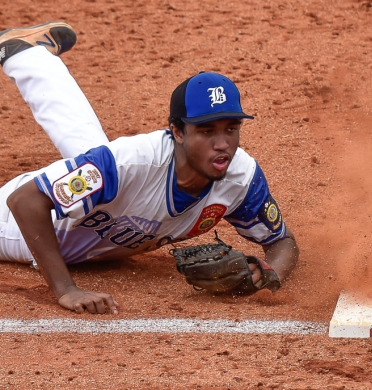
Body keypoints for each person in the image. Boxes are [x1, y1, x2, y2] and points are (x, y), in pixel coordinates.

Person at [0, 22, 299, 315]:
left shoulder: (240, 178)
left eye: (231, 129)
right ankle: (27, 56)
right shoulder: (134, 162)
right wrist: (66, 289)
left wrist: (267, 273)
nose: (222, 144)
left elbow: (282, 241)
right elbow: (24, 202)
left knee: (93, 157)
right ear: (178, 133)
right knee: (112, 167)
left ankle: (25, 54)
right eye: (207, 131)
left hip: (101, 210)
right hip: (16, 226)